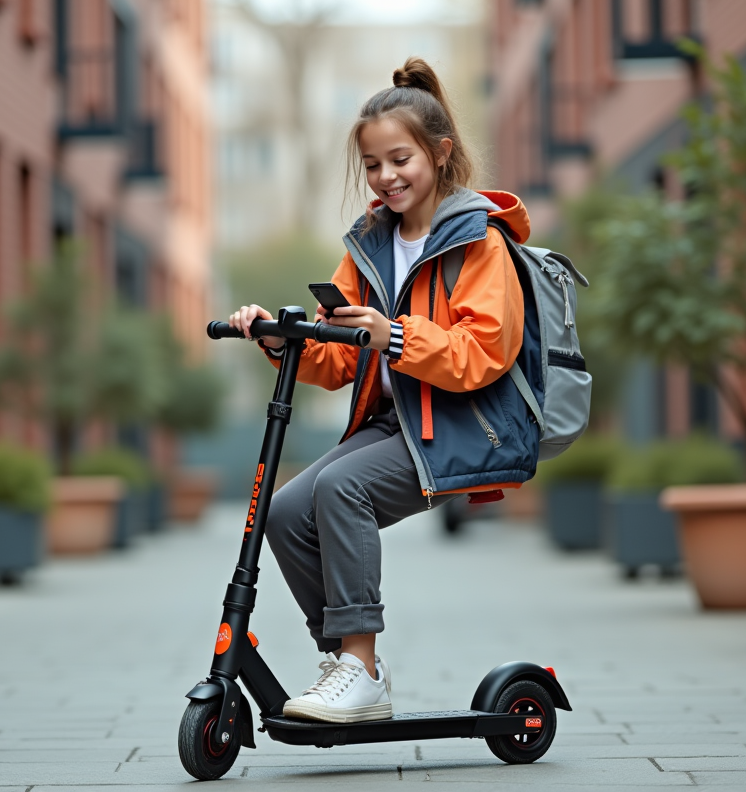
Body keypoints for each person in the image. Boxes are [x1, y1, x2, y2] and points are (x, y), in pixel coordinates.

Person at [227, 57, 533, 724]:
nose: (386, 177)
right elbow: (341, 362)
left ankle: (360, 667)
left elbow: (484, 354)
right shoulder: (369, 242)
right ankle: (350, 665)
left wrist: (392, 337)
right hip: (395, 426)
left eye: (401, 159)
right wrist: (282, 341)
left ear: (439, 152)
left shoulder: (479, 239)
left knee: (343, 488)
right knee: (281, 514)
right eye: (372, 165)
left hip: (461, 425)